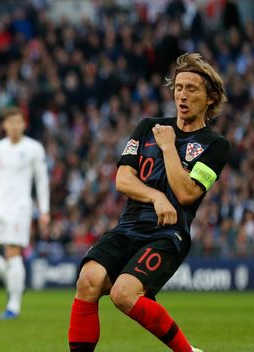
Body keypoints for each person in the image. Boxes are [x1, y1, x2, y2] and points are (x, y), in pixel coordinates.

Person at [68, 52, 229, 352]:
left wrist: (169, 147)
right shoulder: (147, 127)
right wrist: (156, 196)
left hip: (168, 235)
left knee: (123, 294)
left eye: (192, 89)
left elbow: (186, 194)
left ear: (210, 98)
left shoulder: (216, 146)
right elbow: (122, 180)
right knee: (88, 279)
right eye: (179, 87)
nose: (182, 95)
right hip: (128, 227)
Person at [0, 106, 51, 320]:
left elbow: (41, 181)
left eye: (19, 122)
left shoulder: (34, 148)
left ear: (23, 124)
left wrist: (44, 211)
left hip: (20, 209)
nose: (15, 126)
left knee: (12, 252)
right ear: (4, 125)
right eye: (11, 122)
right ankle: (14, 282)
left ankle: (13, 305)